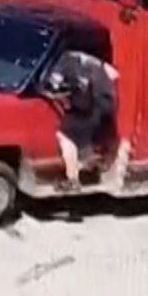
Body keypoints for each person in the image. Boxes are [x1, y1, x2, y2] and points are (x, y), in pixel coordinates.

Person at [48, 51, 118, 192]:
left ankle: (73, 179)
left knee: (65, 135)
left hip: (89, 108)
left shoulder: (66, 58)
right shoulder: (99, 63)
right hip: (106, 108)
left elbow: (54, 84)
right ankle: (90, 165)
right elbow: (116, 75)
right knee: (83, 137)